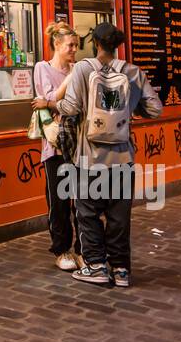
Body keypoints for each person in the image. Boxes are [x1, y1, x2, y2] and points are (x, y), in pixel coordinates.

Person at [57, 22, 162, 288]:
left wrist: (53, 104)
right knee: (119, 217)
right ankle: (121, 269)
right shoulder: (132, 72)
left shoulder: (83, 68)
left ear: (95, 43)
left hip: (89, 158)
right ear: (117, 45)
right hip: (123, 158)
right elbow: (155, 109)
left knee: (88, 213)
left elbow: (70, 107)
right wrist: (128, 111)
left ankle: (96, 266)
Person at [31, 22, 81, 271]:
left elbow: (56, 102)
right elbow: (48, 100)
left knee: (82, 200)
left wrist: (52, 102)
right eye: (70, 45)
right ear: (57, 45)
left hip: (79, 143)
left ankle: (83, 249)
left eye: (76, 45)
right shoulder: (43, 68)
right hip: (56, 146)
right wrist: (69, 82)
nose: (74, 49)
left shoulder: (77, 69)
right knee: (59, 201)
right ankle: (62, 250)